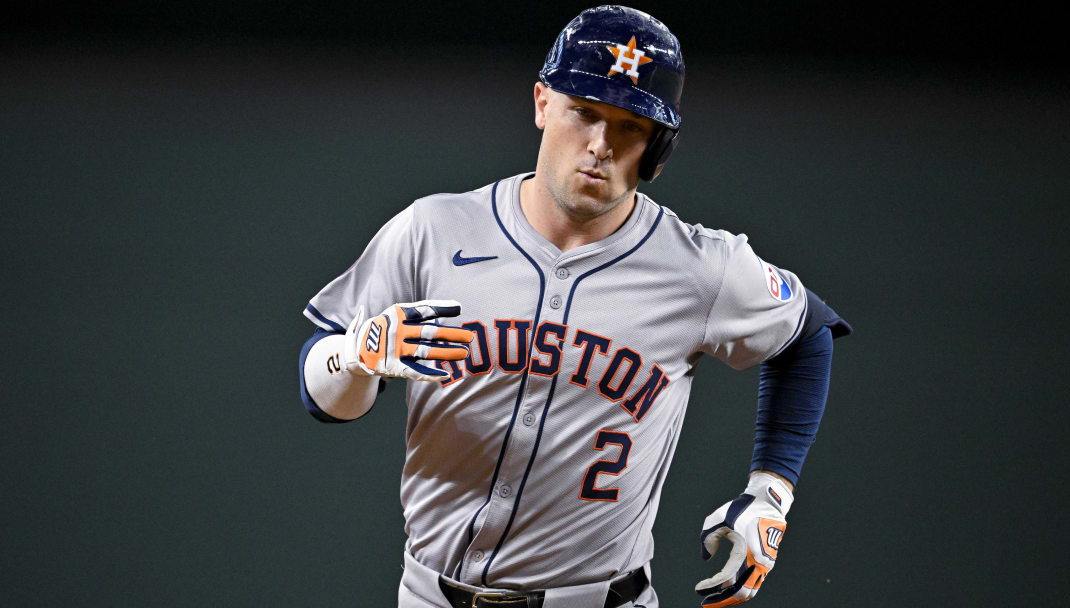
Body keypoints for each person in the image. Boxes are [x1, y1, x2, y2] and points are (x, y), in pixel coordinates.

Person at [298, 5, 850, 607]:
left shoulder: (699, 266)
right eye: (584, 112)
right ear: (541, 103)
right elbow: (323, 401)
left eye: (630, 126)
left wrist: (771, 492)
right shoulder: (434, 229)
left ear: (658, 145)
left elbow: (808, 333)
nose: (600, 145)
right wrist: (352, 358)